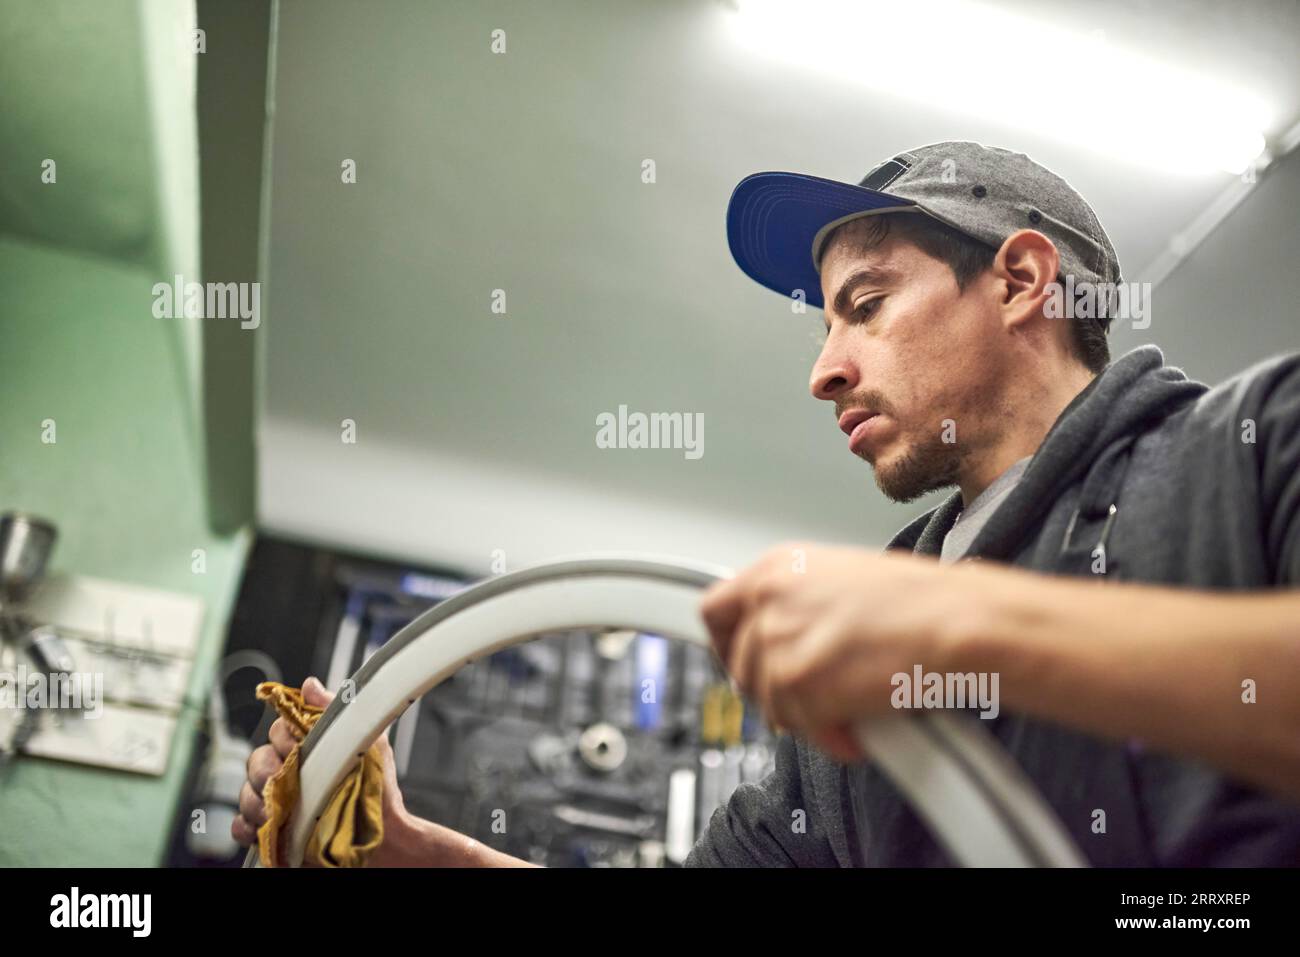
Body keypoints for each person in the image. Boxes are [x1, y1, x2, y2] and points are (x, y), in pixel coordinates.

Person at [235, 141, 1300, 866]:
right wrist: (414, 856)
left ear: (1022, 282)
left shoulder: (1253, 452)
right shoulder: (853, 701)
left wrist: (967, 627)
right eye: (822, 328)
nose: (824, 373)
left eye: (866, 307)